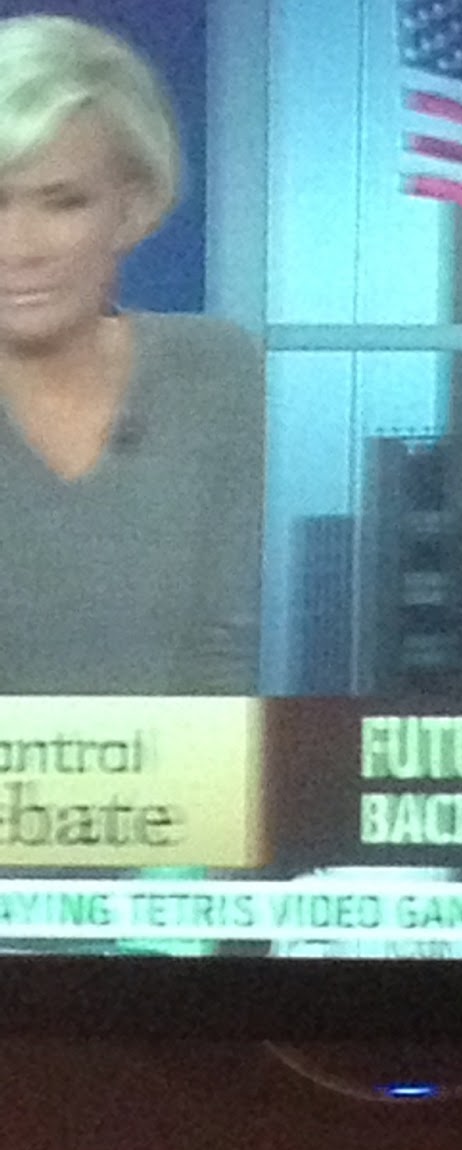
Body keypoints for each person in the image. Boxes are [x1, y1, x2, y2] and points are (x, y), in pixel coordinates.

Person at [0, 14, 262, 694]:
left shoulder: (214, 373)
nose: (18, 248)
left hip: (171, 765)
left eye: (62, 202)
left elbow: (218, 655)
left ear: (132, 207)